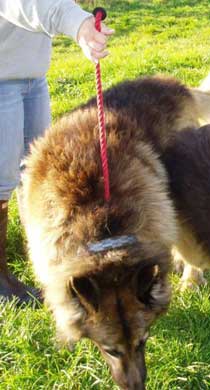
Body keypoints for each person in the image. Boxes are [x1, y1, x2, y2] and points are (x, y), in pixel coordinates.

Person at [0, 0, 114, 303]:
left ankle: (42, 260)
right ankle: (0, 279)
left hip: (33, 76)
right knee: (1, 180)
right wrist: (77, 24)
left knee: (36, 175)